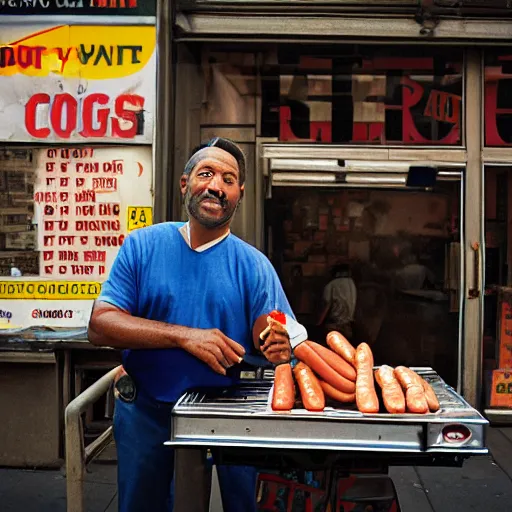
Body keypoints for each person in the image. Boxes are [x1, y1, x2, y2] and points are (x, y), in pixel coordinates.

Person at [87, 137, 294, 512]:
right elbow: (101, 325)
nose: (216, 185)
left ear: (239, 194)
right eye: (207, 173)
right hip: (147, 410)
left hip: (231, 412)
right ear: (186, 184)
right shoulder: (143, 246)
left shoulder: (253, 265)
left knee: (243, 504)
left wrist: (277, 341)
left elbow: (272, 329)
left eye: (228, 179)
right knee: (142, 505)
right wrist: (184, 336)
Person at [317, 264, 357, 340]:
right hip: (348, 327)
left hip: (334, 326)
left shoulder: (331, 285)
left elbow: (326, 306)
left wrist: (318, 324)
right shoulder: (352, 283)